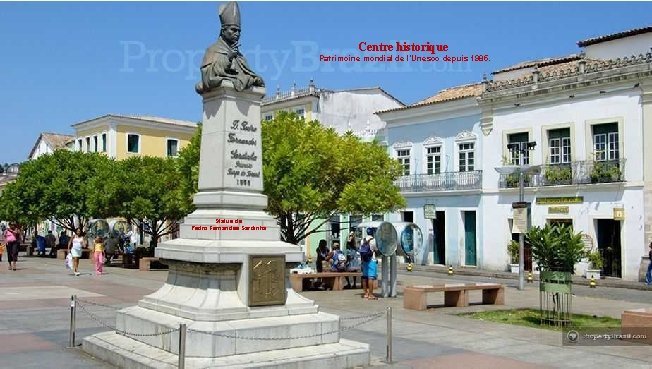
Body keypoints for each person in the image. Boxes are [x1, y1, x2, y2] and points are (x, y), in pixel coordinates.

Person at [195, 1, 264, 93]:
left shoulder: (240, 56)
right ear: (223, 31)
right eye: (233, 30)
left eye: (239, 31)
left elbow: (246, 73)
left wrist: (254, 78)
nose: (237, 34)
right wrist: (228, 57)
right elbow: (208, 76)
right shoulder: (212, 50)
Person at [360, 228, 378, 300]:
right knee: (371, 277)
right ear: (373, 233)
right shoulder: (374, 241)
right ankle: (371, 294)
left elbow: (361, 250)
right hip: (371, 260)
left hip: (364, 260)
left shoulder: (362, 240)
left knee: (364, 277)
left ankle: (365, 293)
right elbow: (376, 250)